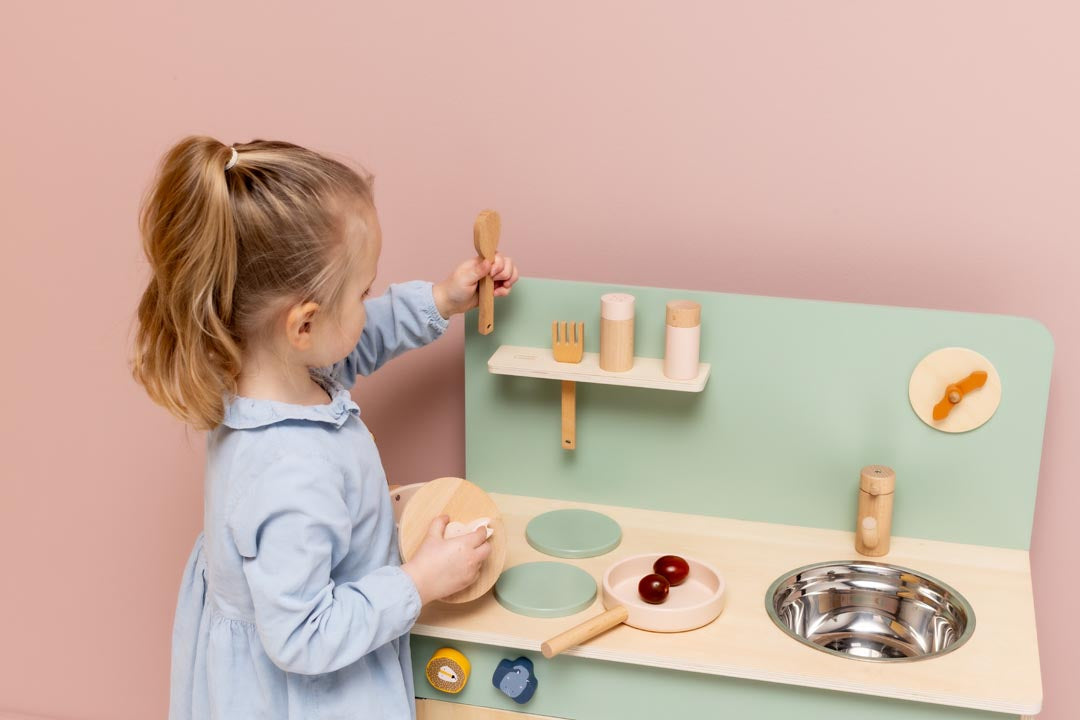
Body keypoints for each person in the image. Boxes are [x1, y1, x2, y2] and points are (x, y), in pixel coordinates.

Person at [131, 137, 519, 719]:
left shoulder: (266, 371)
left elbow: (355, 341)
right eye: (363, 292)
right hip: (305, 696)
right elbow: (303, 637)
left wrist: (440, 300)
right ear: (303, 326)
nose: (369, 303)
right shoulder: (292, 471)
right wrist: (420, 581)